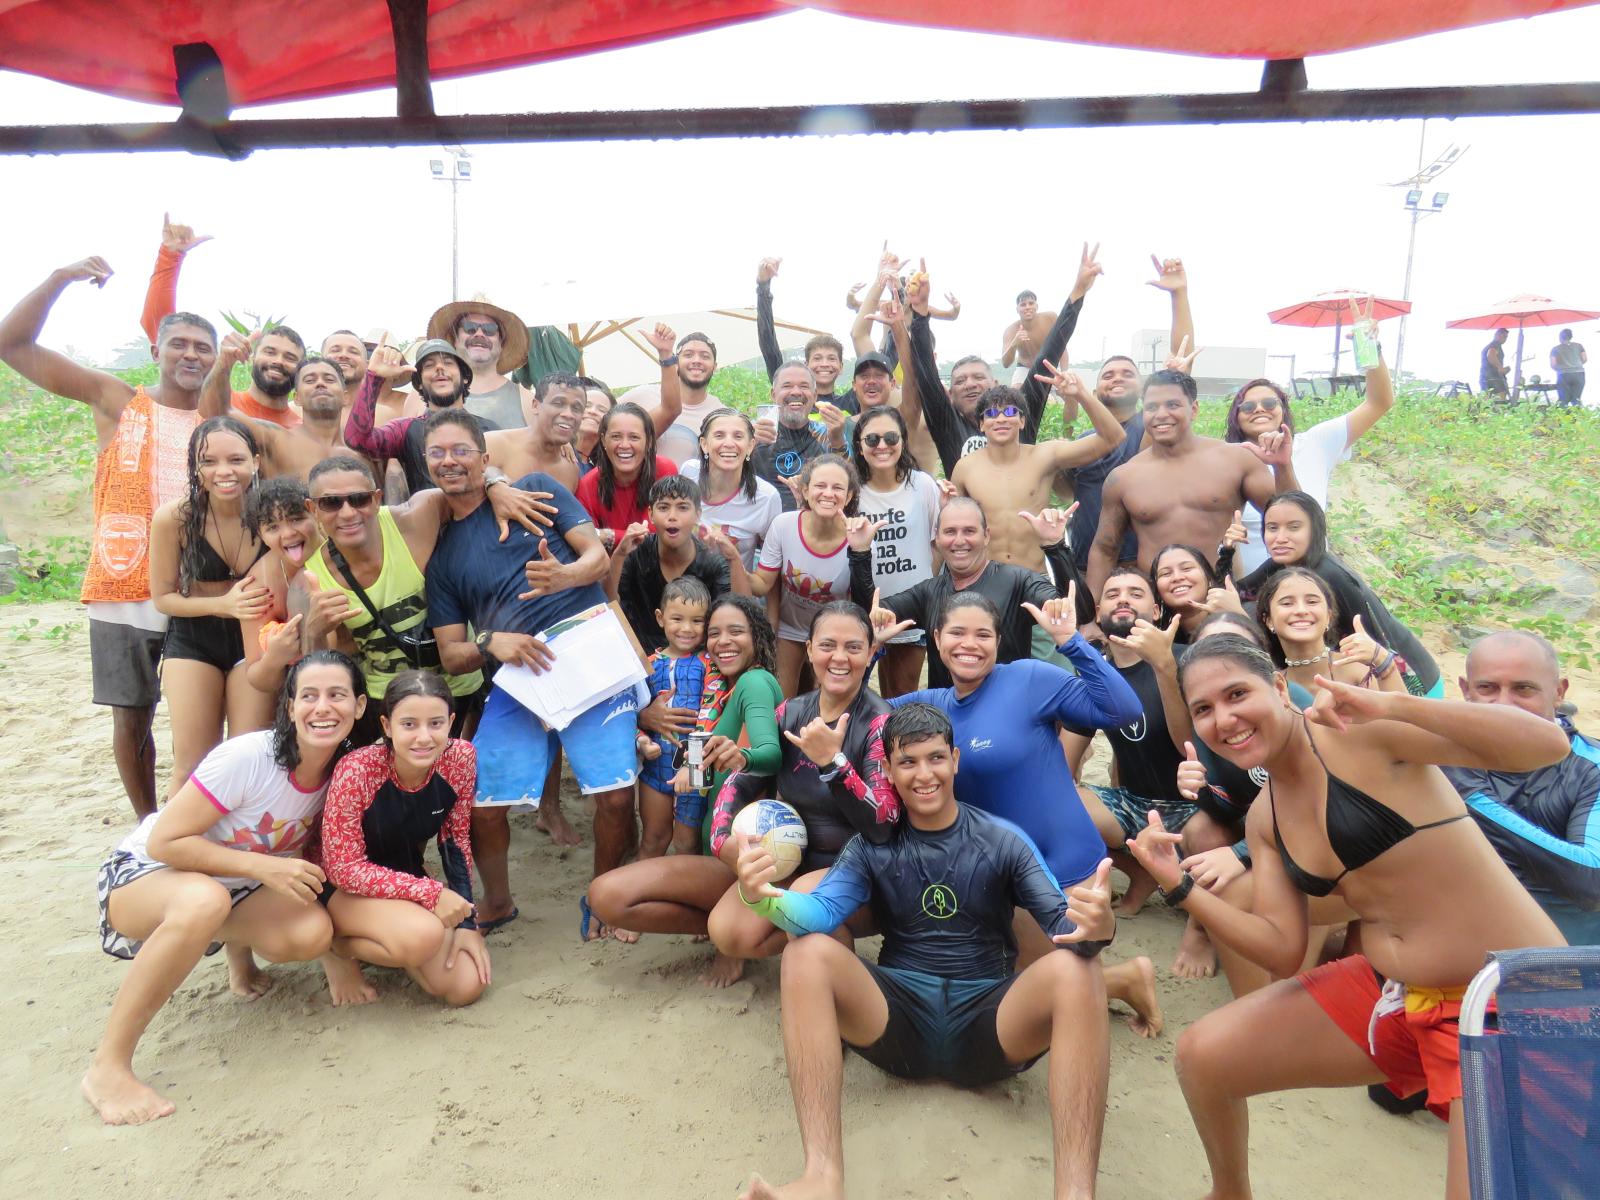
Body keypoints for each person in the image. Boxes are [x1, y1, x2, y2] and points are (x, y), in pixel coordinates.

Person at [1129, 636, 1568, 1200]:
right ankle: (1229, 1191)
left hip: (1508, 1004)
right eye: (1204, 709)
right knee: (1204, 1056)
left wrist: (1392, 703)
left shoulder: (1358, 734)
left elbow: (1545, 745)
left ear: (1281, 687)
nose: (1226, 719)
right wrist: (1178, 883)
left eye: (1238, 694)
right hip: (1401, 997)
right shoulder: (1265, 816)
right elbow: (1282, 947)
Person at [733, 702, 1116, 1200]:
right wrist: (761, 898)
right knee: (805, 953)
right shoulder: (873, 846)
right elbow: (821, 914)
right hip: (898, 1025)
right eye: (908, 762)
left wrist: (1099, 927)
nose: (924, 774)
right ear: (887, 770)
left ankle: (1075, 1192)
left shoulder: (1002, 841)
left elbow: (1068, 930)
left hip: (991, 1023)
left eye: (935, 758)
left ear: (955, 759)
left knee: (1077, 969)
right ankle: (821, 1176)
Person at [85, 651, 373, 1126]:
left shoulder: (342, 771)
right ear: (289, 706)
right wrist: (261, 866)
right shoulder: (249, 757)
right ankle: (108, 1067)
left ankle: (238, 959)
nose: (324, 708)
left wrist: (338, 964)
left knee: (307, 933)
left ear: (359, 706)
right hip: (142, 876)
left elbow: (315, 858)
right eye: (309, 696)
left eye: (338, 695)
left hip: (230, 885)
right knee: (206, 899)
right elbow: (165, 840)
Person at [889, 591, 1164, 1035]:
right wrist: (871, 651)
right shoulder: (932, 705)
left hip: (1064, 863)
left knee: (1033, 988)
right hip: (998, 875)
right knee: (991, 983)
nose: (969, 644)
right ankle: (1121, 978)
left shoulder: (1029, 679)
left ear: (999, 641)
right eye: (957, 633)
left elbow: (1123, 708)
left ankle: (1126, 978)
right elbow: (859, 719)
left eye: (983, 634)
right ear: (937, 640)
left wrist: (1071, 642)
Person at [0, 257, 217, 819]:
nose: (191, 354)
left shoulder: (219, 422)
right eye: (180, 344)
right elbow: (12, 344)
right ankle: (147, 824)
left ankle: (196, 818)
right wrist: (58, 279)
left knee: (205, 714)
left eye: (202, 346)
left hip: (205, 586)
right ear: (156, 352)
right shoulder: (118, 402)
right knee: (133, 713)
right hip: (126, 581)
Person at [421, 410, 633, 935]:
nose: (450, 461)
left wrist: (564, 576)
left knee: (615, 795)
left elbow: (598, 561)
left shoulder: (536, 489)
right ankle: (497, 900)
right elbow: (451, 654)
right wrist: (491, 642)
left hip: (588, 652)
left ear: (485, 458)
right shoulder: (444, 556)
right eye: (438, 453)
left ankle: (603, 897)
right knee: (484, 805)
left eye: (461, 450)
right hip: (517, 675)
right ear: (426, 464)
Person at [586, 593, 784, 984]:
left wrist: (740, 757)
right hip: (723, 848)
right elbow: (713, 754)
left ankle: (734, 938)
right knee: (611, 896)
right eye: (715, 633)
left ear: (757, 635)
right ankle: (723, 923)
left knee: (613, 897)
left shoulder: (755, 683)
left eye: (736, 631)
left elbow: (770, 754)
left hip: (739, 858)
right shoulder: (726, 687)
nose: (722, 640)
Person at [706, 601, 902, 962]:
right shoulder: (791, 713)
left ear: (872, 652)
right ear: (809, 649)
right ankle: (811, 935)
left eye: (853, 647)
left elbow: (884, 825)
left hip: (862, 870)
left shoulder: (881, 724)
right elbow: (740, 781)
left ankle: (838, 967)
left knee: (806, 899)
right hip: (790, 861)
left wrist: (835, 763)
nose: (839, 658)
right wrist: (722, 842)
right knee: (729, 933)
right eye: (827, 645)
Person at [302, 454, 518, 741]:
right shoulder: (310, 580)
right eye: (331, 503)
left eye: (359, 499)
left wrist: (497, 486)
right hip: (388, 701)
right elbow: (319, 669)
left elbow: (477, 475)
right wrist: (315, 630)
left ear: (377, 498)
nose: (347, 513)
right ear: (312, 509)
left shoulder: (416, 518)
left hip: (459, 688)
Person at [1062, 568, 1235, 912]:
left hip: (1199, 806)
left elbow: (1192, 747)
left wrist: (1164, 667)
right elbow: (1063, 766)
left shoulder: (1189, 659)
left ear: (1156, 611)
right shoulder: (1094, 675)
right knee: (1056, 806)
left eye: (1135, 593)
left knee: (1208, 836)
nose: (1123, 599)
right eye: (1112, 594)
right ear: (1098, 614)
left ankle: (1199, 922)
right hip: (1134, 802)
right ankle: (1140, 872)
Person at [321, 670, 490, 1006]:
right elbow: (343, 867)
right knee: (422, 936)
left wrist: (468, 923)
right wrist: (430, 892)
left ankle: (397, 939)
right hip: (340, 888)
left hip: (404, 877)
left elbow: (455, 840)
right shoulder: (358, 769)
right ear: (387, 726)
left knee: (465, 987)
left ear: (451, 721)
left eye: (436, 723)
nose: (424, 737)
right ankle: (336, 947)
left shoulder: (460, 757)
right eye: (409, 724)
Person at [1446, 630, 1599, 944]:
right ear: (1465, 689)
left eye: (1523, 689)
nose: (1504, 704)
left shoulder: (1591, 767)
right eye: (1487, 688)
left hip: (1562, 973)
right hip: (1452, 960)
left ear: (1559, 692)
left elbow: (1591, 879)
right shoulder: (1440, 755)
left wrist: (1472, 798)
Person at [1087, 369, 1295, 598]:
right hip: (1157, 601)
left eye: (1173, 405)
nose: (1161, 414)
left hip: (1221, 595)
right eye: (1152, 407)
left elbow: (1294, 517)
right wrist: (1089, 618)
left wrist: (1282, 467)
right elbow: (1105, 549)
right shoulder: (1123, 477)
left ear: (1193, 409)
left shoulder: (1236, 460)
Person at [150, 416, 274, 797]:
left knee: (247, 756)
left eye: (236, 460)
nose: (224, 472)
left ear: (255, 461)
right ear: (194, 466)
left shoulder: (273, 513)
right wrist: (223, 603)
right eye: (209, 462)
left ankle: (239, 850)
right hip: (193, 641)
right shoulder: (175, 518)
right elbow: (163, 598)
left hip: (252, 643)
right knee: (191, 765)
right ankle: (176, 849)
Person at [903, 245, 1102, 475]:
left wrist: (1078, 292)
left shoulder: (1018, 414)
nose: (970, 384)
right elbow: (926, 374)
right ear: (950, 395)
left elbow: (1049, 352)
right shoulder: (945, 424)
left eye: (978, 377)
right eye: (960, 381)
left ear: (995, 385)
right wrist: (919, 313)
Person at [854, 497, 1087, 691]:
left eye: (969, 531)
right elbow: (868, 617)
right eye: (950, 532)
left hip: (1007, 710)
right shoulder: (929, 592)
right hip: (948, 720)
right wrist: (860, 553)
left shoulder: (1018, 581)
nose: (959, 541)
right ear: (938, 537)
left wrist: (1055, 546)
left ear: (986, 535)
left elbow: (1078, 612)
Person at [1226, 327, 1397, 574]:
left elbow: (1379, 402)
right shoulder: (1227, 459)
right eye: (1248, 406)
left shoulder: (1316, 443)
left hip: (1309, 588)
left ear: (1283, 409)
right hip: (1250, 594)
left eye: (1270, 403)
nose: (1259, 409)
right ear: (1236, 416)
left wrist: (1370, 347)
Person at [1237, 491, 1441, 695]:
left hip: (1409, 679)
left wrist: (1389, 680)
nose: (1280, 538)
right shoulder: (1281, 565)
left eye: (1294, 527)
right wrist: (1230, 548)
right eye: (1272, 528)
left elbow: (1373, 640)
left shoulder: (1330, 575)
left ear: (1314, 531)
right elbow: (1236, 593)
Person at [1066, 255, 1196, 570]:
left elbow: (1183, 361)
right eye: (1108, 375)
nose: (1118, 378)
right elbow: (1066, 489)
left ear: (1142, 387)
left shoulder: (1154, 427)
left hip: (1141, 564)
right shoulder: (1084, 443)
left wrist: (1179, 295)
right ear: (1095, 391)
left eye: (1127, 373)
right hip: (1084, 565)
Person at [949, 375, 1124, 573]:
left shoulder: (1044, 456)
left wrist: (1081, 395)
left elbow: (1113, 438)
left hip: (1033, 578)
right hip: (986, 578)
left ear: (1022, 420)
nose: (1000, 419)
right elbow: (953, 525)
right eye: (991, 414)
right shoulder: (965, 468)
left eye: (1009, 411)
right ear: (981, 424)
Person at [849, 406, 941, 697]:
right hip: (862, 606)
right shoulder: (853, 491)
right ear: (860, 447)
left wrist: (924, 583)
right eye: (872, 440)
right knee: (852, 694)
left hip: (910, 609)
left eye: (891, 437)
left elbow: (936, 543)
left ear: (903, 440)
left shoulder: (923, 484)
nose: (882, 446)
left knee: (901, 695)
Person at [751, 455, 858, 697]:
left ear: (849, 496)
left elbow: (861, 599)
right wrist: (733, 559)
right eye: (820, 486)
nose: (828, 494)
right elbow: (762, 584)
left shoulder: (856, 536)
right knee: (782, 704)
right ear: (805, 491)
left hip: (833, 634)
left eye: (837, 488)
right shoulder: (784, 525)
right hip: (790, 627)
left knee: (824, 705)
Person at [608, 475, 744, 652]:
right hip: (643, 657)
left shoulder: (712, 563)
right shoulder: (636, 552)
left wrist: (734, 558)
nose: (672, 516)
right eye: (663, 507)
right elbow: (609, 604)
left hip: (697, 661)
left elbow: (741, 615)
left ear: (698, 514)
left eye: (682, 507)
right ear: (650, 514)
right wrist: (619, 555)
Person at [345, 339, 496, 496]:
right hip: (428, 517)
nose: (439, 368)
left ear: (465, 377)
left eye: (448, 363)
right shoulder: (405, 430)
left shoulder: (490, 428)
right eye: (429, 365)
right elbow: (357, 440)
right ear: (420, 384)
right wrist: (374, 377)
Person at [631, 576, 714, 859]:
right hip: (655, 764)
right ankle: (640, 895)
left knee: (687, 843)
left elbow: (713, 713)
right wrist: (642, 740)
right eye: (677, 618)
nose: (687, 629)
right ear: (660, 617)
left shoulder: (711, 665)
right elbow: (629, 714)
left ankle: (684, 898)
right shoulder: (648, 666)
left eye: (697, 621)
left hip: (697, 763)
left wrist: (695, 763)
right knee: (653, 838)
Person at [204, 347, 370, 481]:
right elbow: (218, 412)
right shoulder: (275, 439)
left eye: (329, 379)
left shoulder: (366, 451)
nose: (320, 383)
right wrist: (224, 363)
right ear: (297, 398)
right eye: (310, 380)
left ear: (346, 396)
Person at [1255, 566, 1411, 696]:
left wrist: (1384, 662)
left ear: (1328, 616)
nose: (1301, 610)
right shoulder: (1274, 690)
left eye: (1312, 601)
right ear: (1268, 620)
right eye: (1287, 603)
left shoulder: (1359, 671)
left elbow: (1407, 728)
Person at [676, 407, 784, 572]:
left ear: (750, 446)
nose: (728, 443)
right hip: (685, 587)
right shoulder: (688, 473)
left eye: (738, 436)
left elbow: (771, 566)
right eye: (719, 435)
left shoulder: (766, 497)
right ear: (704, 444)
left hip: (734, 592)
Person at [756, 256, 857, 413]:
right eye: (817, 358)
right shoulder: (795, 400)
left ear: (841, 367)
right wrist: (763, 288)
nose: (824, 364)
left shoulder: (851, 402)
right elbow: (769, 346)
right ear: (806, 365)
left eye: (831, 358)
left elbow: (881, 366)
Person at [575, 400, 678, 547]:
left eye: (634, 437)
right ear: (604, 441)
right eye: (616, 436)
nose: (624, 445)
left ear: (648, 441)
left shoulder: (665, 469)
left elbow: (665, 533)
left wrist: (608, 535)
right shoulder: (587, 485)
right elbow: (585, 541)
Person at [751, 361, 848, 511]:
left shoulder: (825, 434)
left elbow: (847, 481)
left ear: (815, 396)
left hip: (813, 524)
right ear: (773, 394)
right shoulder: (756, 432)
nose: (796, 392)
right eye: (787, 386)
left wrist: (837, 438)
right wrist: (748, 444)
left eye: (804, 386)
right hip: (762, 525)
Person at [427, 299, 532, 430]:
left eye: (490, 330)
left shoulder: (528, 401)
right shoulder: (423, 395)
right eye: (469, 328)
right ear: (455, 340)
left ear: (501, 344)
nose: (479, 334)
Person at [486, 370, 586, 492]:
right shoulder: (495, 445)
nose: (568, 414)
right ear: (535, 405)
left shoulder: (571, 469)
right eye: (558, 403)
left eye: (576, 408)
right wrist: (494, 485)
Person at [636, 330, 718, 467]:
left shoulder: (721, 414)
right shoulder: (643, 395)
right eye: (688, 355)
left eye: (705, 356)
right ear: (676, 362)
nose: (696, 360)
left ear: (715, 367)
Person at [1149, 539, 1247, 644]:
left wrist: (1238, 616)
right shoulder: (1159, 640)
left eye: (1186, 568)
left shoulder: (1245, 612)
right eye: (1165, 574)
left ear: (1208, 577)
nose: (1177, 577)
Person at [1000, 288, 1057, 375]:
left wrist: (1065, 372)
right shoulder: (1010, 331)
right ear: (1017, 310)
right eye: (1023, 305)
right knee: (1016, 388)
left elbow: (1063, 346)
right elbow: (1005, 364)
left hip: (1049, 366)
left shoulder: (1050, 318)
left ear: (1036, 306)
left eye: (1031, 303)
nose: (1027, 307)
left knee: (1062, 388)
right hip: (1024, 368)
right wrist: (1014, 344)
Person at [575, 376, 615, 471]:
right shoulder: (552, 451)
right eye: (586, 405)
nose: (592, 411)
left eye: (602, 409)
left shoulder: (601, 472)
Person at [1551, 327, 1587, 406]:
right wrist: (1575, 365)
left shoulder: (1555, 349)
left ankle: (1562, 417)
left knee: (1563, 399)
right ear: (1571, 336)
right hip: (1579, 374)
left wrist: (1560, 369)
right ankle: (1579, 417)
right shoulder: (1579, 346)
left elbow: (1553, 364)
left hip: (1564, 375)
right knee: (1576, 399)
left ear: (1560, 337)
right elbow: (1584, 359)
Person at [1479, 327, 1510, 400]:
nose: (1504, 338)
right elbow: (1490, 355)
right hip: (1494, 379)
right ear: (1496, 335)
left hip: (1485, 378)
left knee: (1486, 403)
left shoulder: (1492, 345)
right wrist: (1500, 367)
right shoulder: (1495, 345)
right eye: (1502, 336)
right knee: (1501, 403)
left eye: (1505, 337)